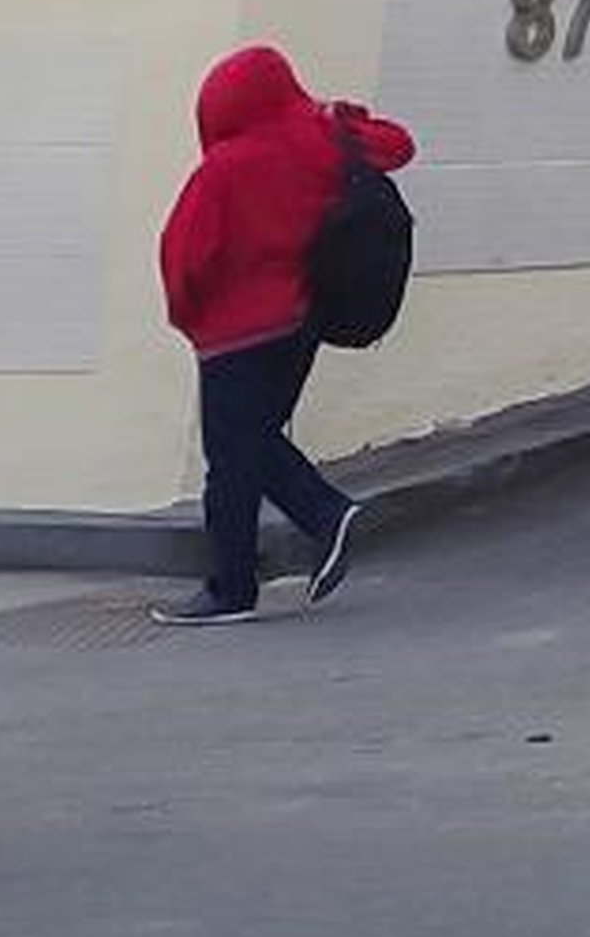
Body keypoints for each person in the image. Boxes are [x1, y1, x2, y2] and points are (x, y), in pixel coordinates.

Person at [150, 43, 414, 629]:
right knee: (254, 444)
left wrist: (187, 316)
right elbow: (397, 144)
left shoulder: (224, 168)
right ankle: (307, 532)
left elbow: (185, 258)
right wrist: (334, 114)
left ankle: (248, 575)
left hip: (232, 333)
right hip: (300, 322)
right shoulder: (319, 142)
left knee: (233, 456)